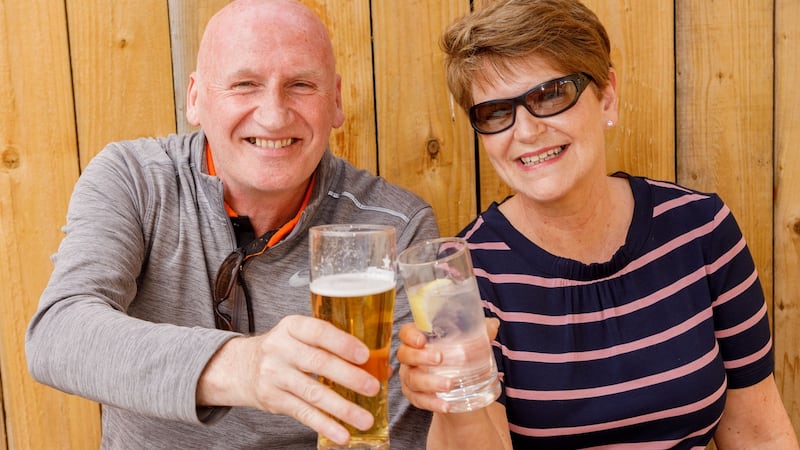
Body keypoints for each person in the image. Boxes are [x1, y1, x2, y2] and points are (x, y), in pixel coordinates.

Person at [25, 0, 437, 448]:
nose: (274, 115)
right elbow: (58, 333)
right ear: (195, 99)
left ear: (335, 101)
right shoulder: (134, 178)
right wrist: (245, 366)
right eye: (245, 84)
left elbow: (387, 434)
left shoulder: (397, 224)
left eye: (300, 85)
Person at [397, 0, 800, 448]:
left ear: (606, 95)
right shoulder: (463, 275)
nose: (526, 132)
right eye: (495, 113)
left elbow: (760, 435)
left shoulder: (701, 229)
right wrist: (452, 396)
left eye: (550, 95)